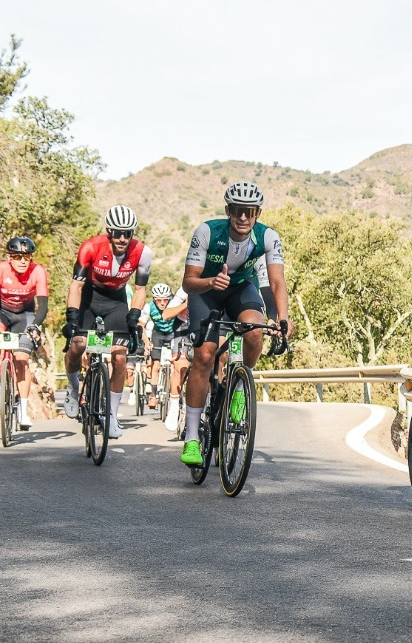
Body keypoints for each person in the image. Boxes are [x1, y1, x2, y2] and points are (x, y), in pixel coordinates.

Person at [179, 182, 291, 467]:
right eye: (238, 211)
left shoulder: (267, 237)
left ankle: (240, 387)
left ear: (257, 213)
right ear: (228, 210)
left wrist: (282, 318)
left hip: (241, 290)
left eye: (249, 212)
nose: (243, 218)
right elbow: (188, 282)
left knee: (255, 331)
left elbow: (277, 281)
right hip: (206, 291)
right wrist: (210, 281)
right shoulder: (207, 232)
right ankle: (192, 437)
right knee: (204, 356)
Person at [64, 206, 152, 437]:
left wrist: (134, 315)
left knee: (120, 354)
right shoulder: (91, 247)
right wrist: (72, 316)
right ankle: (73, 389)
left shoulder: (142, 252)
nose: (122, 238)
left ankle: (112, 415)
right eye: (117, 233)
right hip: (90, 297)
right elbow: (77, 285)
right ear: (108, 231)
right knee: (78, 344)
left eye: (127, 233)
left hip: (116, 299)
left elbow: (141, 289)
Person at [0, 236, 49, 429]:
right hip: (0, 312)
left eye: (26, 257)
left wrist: (35, 325)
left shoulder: (37, 271)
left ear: (31, 258)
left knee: (22, 360)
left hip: (25, 315)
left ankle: (23, 410)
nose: (22, 261)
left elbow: (43, 306)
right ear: (9, 257)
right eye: (17, 256)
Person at [139, 282, 189, 420]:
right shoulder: (149, 307)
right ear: (154, 299)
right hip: (158, 334)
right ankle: (153, 395)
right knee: (155, 365)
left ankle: (175, 390)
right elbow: (141, 325)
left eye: (165, 300)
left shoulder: (174, 304)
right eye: (159, 300)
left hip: (173, 333)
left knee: (176, 365)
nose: (162, 303)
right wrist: (147, 342)